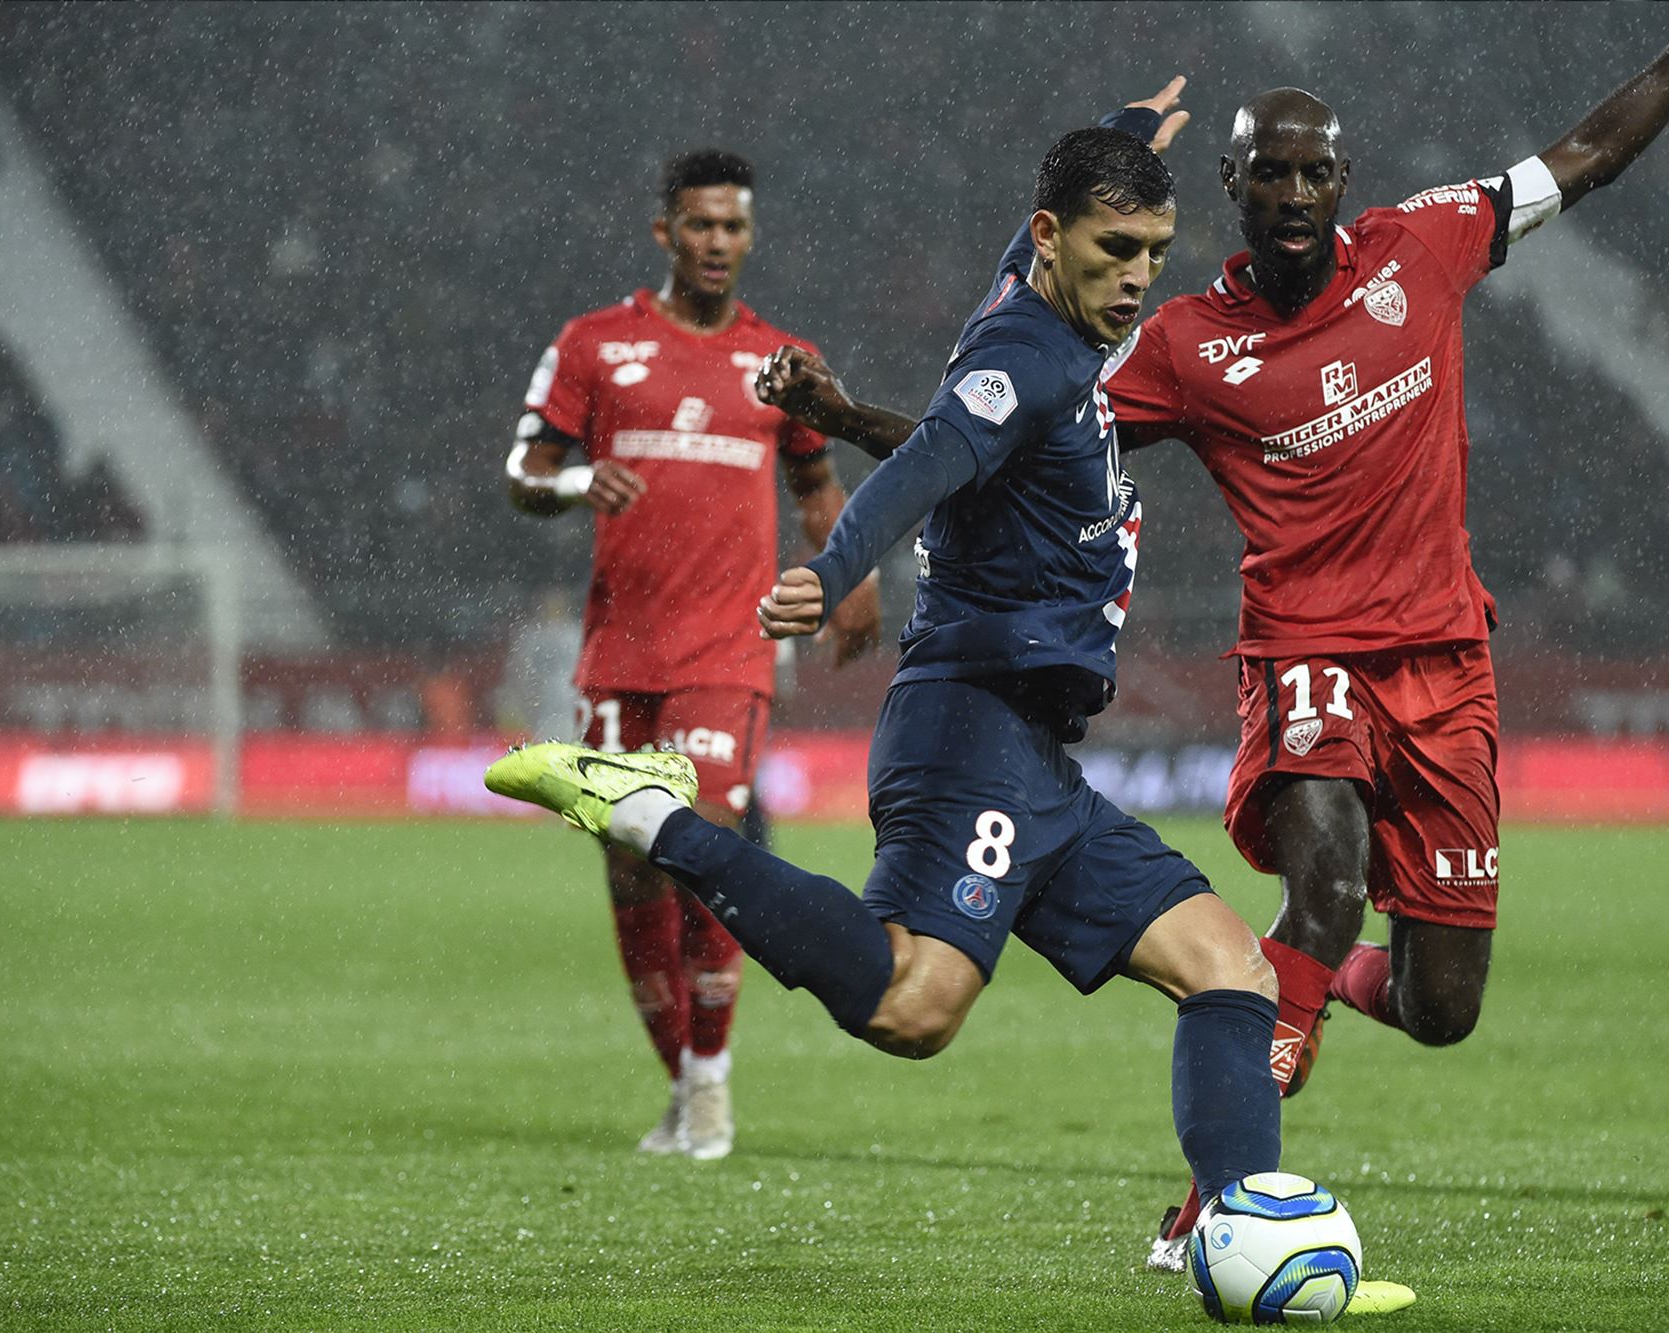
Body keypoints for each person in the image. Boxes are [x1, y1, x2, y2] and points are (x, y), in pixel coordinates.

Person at [752, 0, 1669, 1272]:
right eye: (1266, 173)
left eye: (1312, 171)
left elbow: (1590, 153)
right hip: (1303, 655)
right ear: (1231, 187)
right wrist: (853, 416)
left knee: (1439, 1006)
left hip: (1446, 665)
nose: (1292, 192)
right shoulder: (1181, 345)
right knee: (1328, 883)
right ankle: (1225, 1196)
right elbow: (1003, 432)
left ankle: (1319, 990)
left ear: (1342, 180)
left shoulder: (1429, 244)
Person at [487, 82, 1291, 1251]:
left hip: (1032, 754)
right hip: (971, 728)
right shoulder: (1029, 354)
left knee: (1226, 965)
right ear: (1056, 239)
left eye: (1156, 254)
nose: (1138, 277)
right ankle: (655, 817)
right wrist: (837, 558)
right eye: (1117, 249)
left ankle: (1229, 1230)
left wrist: (1121, 132)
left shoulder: (1043, 297)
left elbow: (958, 423)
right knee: (914, 1007)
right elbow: (931, 461)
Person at [503, 148, 880, 1161]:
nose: (719, 243)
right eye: (700, 225)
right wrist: (581, 482)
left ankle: (710, 1085)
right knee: (631, 873)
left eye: (735, 227)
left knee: (704, 848)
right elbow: (522, 471)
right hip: (619, 653)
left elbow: (814, 490)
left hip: (729, 650)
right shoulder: (593, 345)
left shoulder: (781, 361)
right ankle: (680, 1081)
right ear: (664, 231)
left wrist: (849, 577)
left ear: (749, 237)